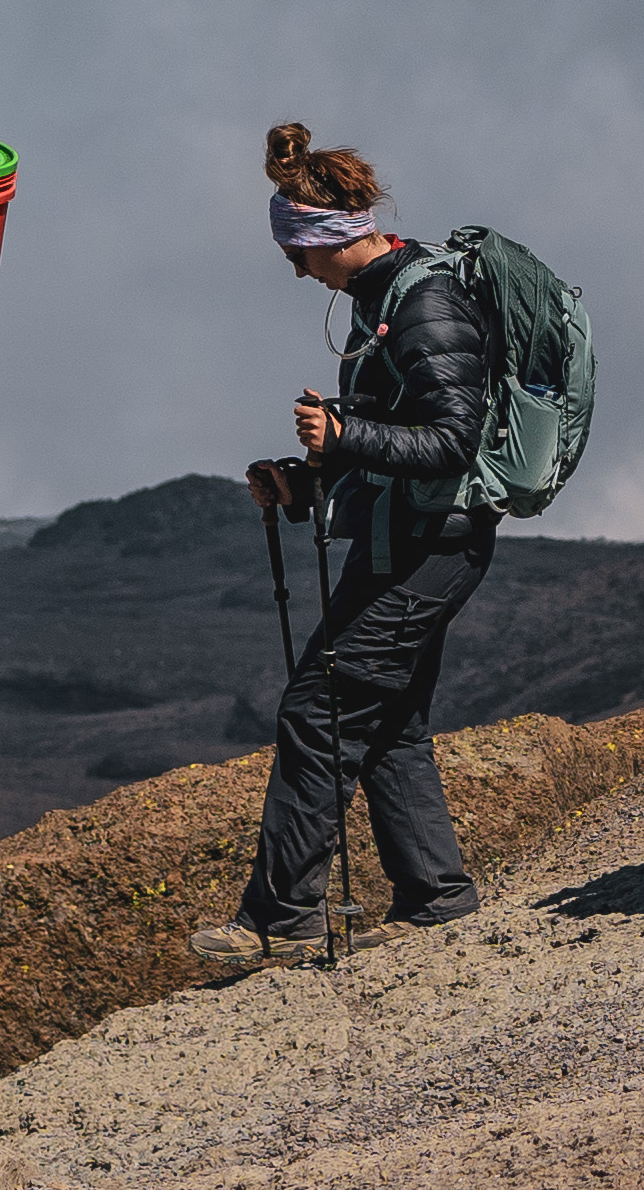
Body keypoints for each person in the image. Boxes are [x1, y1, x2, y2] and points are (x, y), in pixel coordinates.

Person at [189, 126, 496, 965]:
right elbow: (390, 442)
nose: (295, 270)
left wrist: (344, 434)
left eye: (297, 251)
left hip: (433, 545)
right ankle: (437, 896)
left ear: (327, 239)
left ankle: (280, 920)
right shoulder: (382, 303)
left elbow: (450, 442)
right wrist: (303, 481)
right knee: (389, 718)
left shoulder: (423, 303)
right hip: (411, 536)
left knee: (318, 709)